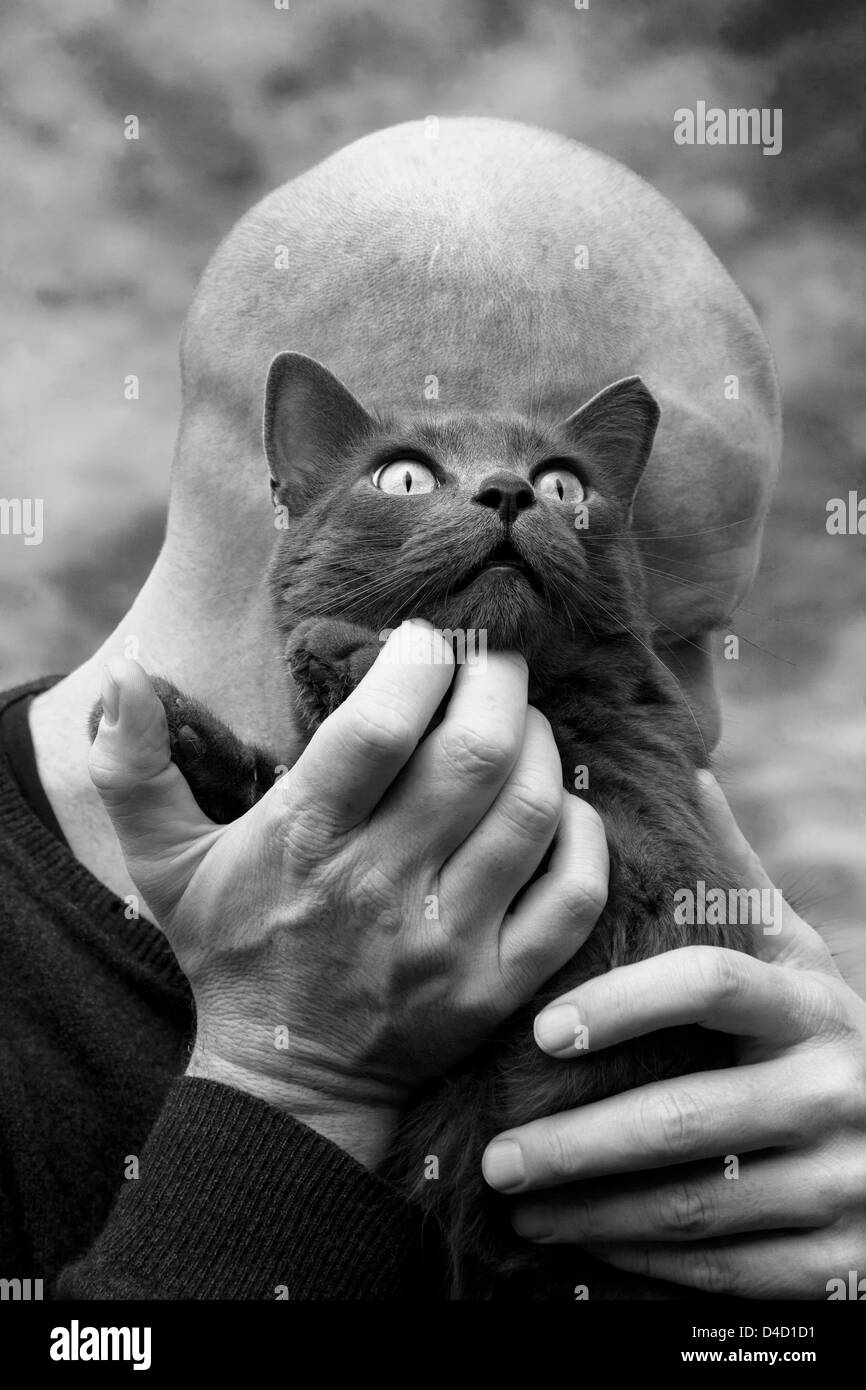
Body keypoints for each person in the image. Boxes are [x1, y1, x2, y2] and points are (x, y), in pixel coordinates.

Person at [2, 120, 863, 1299]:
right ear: (304, 494)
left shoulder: (745, 1015)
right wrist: (287, 1092)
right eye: (660, 638)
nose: (700, 722)